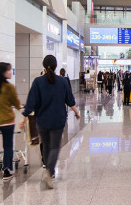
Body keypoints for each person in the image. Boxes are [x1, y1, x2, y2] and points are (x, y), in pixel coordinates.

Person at [21, 55, 80, 189]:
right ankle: (49, 172)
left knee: (46, 145)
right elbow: (70, 100)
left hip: (42, 120)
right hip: (57, 119)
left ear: (44, 66)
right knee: (54, 147)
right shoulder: (63, 81)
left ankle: (48, 169)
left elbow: (31, 102)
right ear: (56, 66)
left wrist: (23, 117)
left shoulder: (37, 82)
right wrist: (77, 112)